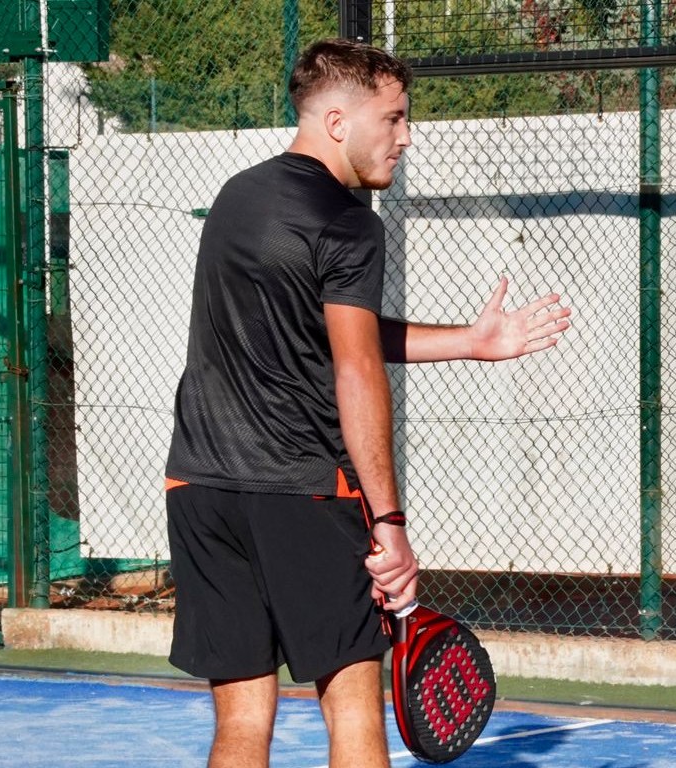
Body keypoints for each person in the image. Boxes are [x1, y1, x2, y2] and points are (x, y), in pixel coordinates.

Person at [163, 39, 571, 768]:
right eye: (395, 118)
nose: (407, 136)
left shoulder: (236, 196)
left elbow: (322, 329)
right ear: (340, 121)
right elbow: (354, 369)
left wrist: (471, 342)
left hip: (198, 489)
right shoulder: (352, 223)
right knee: (353, 713)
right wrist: (389, 521)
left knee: (240, 724)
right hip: (307, 497)